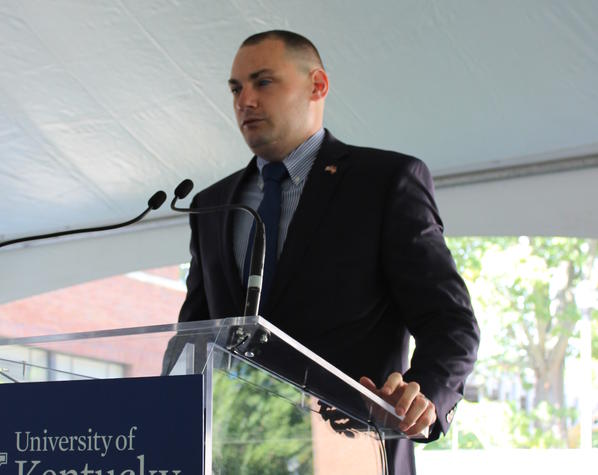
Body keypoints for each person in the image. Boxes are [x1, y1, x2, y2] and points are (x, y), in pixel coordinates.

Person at [177, 30, 480, 475]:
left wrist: (424, 394)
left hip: (352, 454)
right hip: (236, 457)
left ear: (317, 86)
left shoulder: (384, 182)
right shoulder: (213, 204)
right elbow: (194, 335)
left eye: (263, 82)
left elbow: (450, 322)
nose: (245, 100)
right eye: (236, 88)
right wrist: (161, 407)